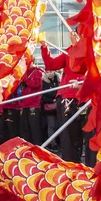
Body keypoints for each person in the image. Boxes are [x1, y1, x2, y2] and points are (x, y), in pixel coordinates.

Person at [41, 34, 86, 163]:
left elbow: (83, 66)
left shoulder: (92, 51)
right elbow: (51, 64)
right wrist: (45, 46)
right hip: (67, 98)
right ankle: (71, 169)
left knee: (85, 140)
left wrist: (78, 47)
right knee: (68, 139)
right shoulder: (68, 51)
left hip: (85, 98)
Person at [20, 63, 44, 146]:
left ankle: (37, 147)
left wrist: (25, 79)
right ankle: (27, 147)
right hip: (24, 104)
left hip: (33, 104)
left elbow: (36, 84)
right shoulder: (24, 72)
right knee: (25, 128)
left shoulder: (37, 72)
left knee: (34, 128)